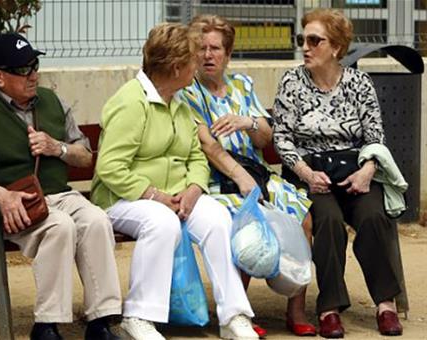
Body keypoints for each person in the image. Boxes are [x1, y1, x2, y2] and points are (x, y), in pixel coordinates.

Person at [0, 33, 122, 340]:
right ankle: (46, 327)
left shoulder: (53, 102)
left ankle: (100, 322)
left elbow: (83, 155)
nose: (33, 74)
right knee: (60, 227)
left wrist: (57, 148)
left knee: (96, 221)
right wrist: (2, 195)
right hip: (9, 205)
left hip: (60, 196)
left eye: (35, 65)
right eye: (23, 69)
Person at [91, 23, 259, 340]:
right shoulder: (130, 102)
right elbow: (110, 167)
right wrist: (154, 195)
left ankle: (233, 315)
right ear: (176, 67)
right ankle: (138, 317)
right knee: (162, 222)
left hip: (176, 197)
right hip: (123, 199)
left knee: (218, 218)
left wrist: (194, 189)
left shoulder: (179, 103)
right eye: (194, 60)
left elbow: (196, 156)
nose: (198, 65)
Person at [180, 14, 316, 337]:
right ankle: (239, 312)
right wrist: (243, 179)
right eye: (201, 48)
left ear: (228, 55)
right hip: (220, 178)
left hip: (257, 172)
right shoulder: (188, 91)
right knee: (241, 222)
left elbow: (266, 136)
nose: (208, 55)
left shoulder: (243, 85)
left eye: (215, 49)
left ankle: (295, 309)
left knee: (305, 217)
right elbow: (208, 147)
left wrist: (247, 122)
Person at [273, 8, 404, 338]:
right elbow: (281, 136)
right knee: (328, 222)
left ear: (336, 47)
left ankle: (385, 304)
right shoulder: (291, 81)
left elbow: (375, 135)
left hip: (354, 170)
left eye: (315, 40)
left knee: (374, 217)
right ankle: (329, 308)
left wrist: (368, 170)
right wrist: (305, 173)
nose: (306, 47)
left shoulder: (360, 83)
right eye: (303, 40)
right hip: (311, 172)